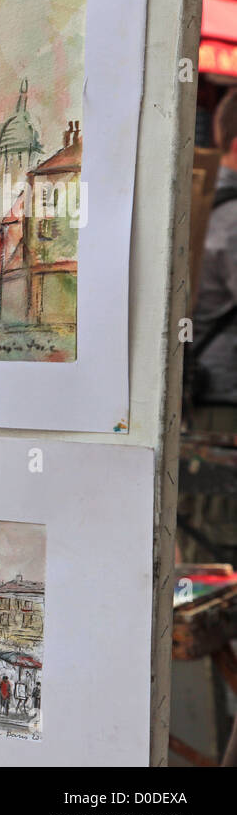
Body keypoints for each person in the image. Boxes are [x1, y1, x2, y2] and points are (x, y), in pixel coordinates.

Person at [182, 87, 237, 563]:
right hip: (223, 405)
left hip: (194, 400)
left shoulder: (192, 206)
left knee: (197, 543)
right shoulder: (233, 214)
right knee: (219, 544)